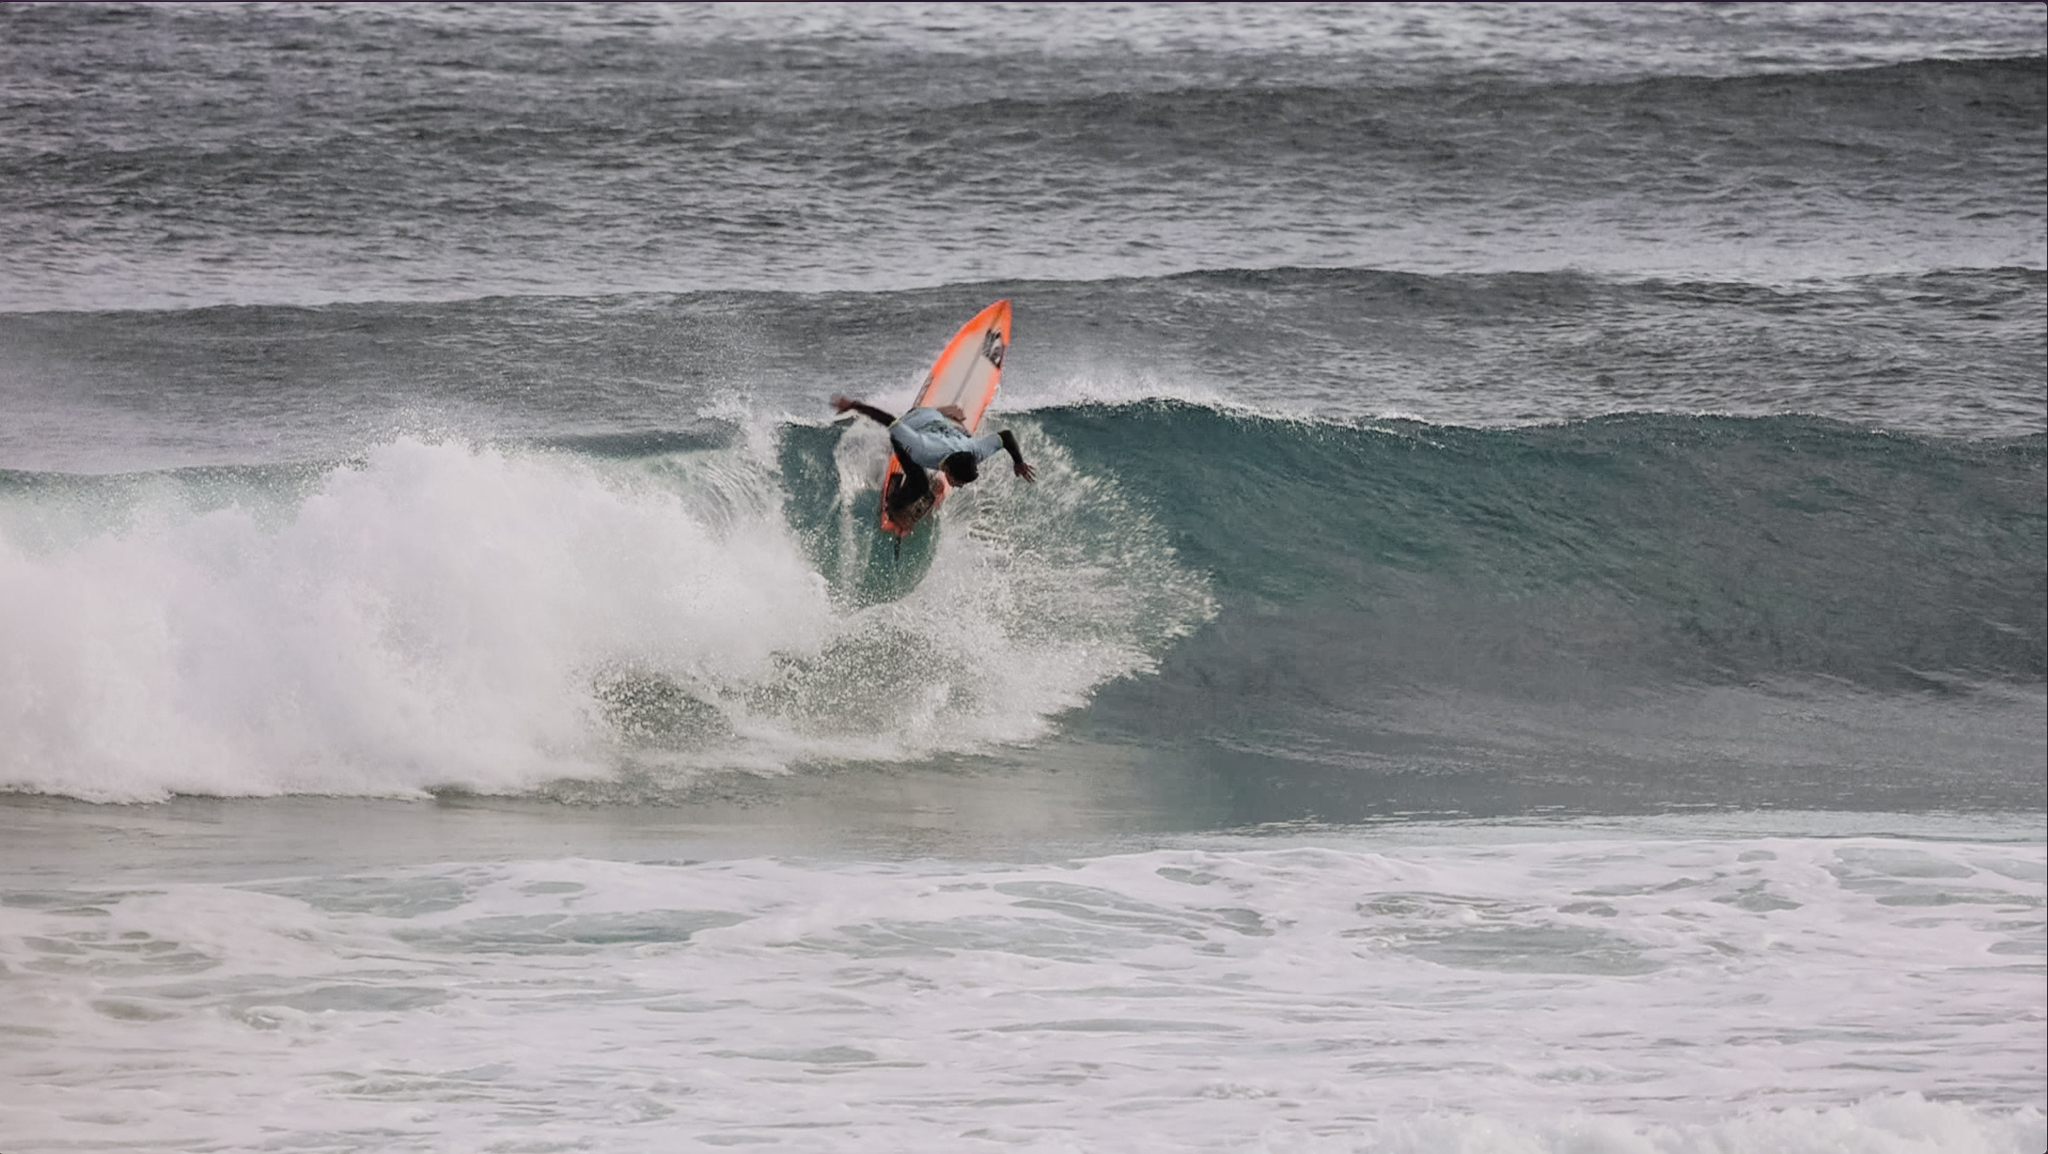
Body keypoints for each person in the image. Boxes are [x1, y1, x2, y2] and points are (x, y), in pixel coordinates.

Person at [830, 394, 1035, 518]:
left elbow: (1006, 436)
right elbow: (889, 420)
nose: (960, 486)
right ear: (950, 473)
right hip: (913, 424)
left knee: (965, 434)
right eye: (959, 482)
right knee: (919, 484)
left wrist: (1019, 462)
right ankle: (893, 506)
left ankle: (943, 412)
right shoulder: (922, 449)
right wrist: (854, 405)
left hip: (938, 422)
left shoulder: (976, 453)